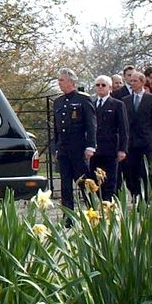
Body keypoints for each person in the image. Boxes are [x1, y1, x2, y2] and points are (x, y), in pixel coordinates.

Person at [51, 68, 96, 214]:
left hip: (79, 148)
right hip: (64, 149)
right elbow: (57, 128)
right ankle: (68, 217)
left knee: (84, 183)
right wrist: (55, 148)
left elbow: (91, 124)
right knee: (65, 185)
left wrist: (90, 145)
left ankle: (91, 213)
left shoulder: (83, 99)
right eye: (58, 80)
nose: (59, 83)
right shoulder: (58, 102)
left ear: (71, 81)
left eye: (62, 80)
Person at [120, 69, 152, 198]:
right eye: (131, 80)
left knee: (146, 171)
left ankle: (148, 198)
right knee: (131, 171)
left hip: (146, 142)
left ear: (142, 82)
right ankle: (135, 195)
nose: (132, 83)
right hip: (131, 143)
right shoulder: (126, 100)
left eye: (135, 81)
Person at [91, 75, 127, 201]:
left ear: (110, 88)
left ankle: (109, 207)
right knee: (95, 181)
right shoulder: (92, 104)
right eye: (98, 85)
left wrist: (123, 149)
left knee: (110, 181)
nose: (100, 87)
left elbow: (123, 128)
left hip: (111, 149)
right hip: (95, 150)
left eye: (103, 85)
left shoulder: (117, 105)